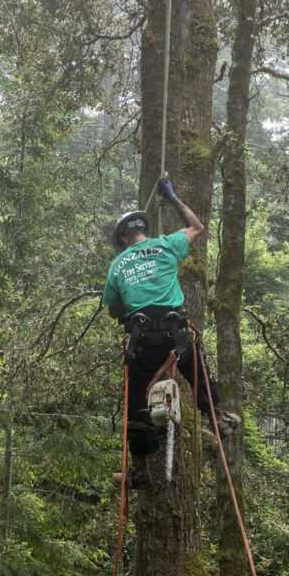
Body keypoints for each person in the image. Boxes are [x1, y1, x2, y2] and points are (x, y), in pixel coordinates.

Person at [103, 178, 239, 488]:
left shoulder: (118, 264)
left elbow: (113, 309)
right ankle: (218, 416)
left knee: (136, 405)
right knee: (197, 369)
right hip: (174, 336)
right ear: (144, 233)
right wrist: (174, 199)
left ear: (124, 240)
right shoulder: (166, 244)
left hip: (141, 343)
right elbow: (196, 227)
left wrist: (130, 303)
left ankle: (139, 473)